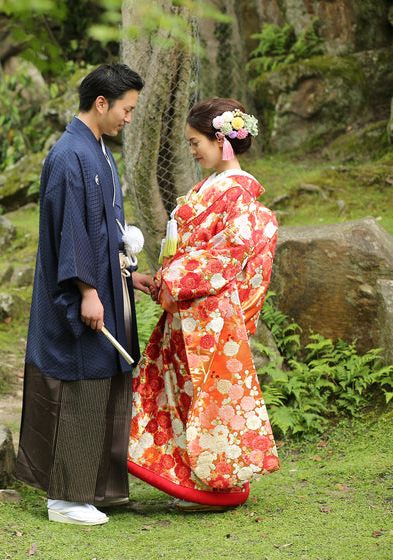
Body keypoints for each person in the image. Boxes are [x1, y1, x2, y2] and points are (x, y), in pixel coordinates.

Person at [14, 63, 156, 526]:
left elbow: (103, 229)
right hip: (79, 296)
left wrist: (126, 276)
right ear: (102, 103)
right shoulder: (69, 155)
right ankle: (65, 499)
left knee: (105, 381)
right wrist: (89, 292)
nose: (128, 118)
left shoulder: (95, 148)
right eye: (126, 109)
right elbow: (71, 232)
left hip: (103, 287)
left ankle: (97, 489)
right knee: (82, 381)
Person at [127, 98, 280, 512]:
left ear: (220, 140)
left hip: (210, 314)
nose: (193, 151)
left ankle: (212, 484)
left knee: (207, 400)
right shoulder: (215, 187)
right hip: (193, 310)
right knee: (187, 395)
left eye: (196, 142)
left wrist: (172, 279)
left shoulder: (237, 192)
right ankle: (193, 478)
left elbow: (230, 252)